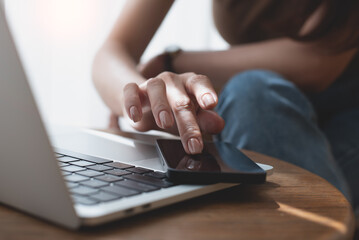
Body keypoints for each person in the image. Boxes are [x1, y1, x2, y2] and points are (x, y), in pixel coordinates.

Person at [92, 0, 359, 213]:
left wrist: (172, 63)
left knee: (251, 96)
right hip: (271, 106)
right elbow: (112, 52)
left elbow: (320, 61)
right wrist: (140, 98)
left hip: (347, 117)